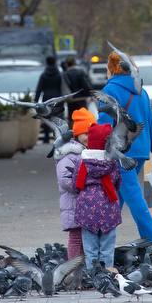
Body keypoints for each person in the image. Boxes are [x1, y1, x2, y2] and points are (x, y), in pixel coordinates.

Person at [96, 51, 152, 245]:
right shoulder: (141, 91)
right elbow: (151, 126)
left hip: (120, 152)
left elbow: (103, 126)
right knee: (118, 194)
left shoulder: (109, 91)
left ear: (111, 68)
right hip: (141, 151)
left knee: (132, 193)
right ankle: (103, 235)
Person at [74, 122, 121, 270]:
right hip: (108, 209)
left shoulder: (82, 162)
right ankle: (107, 273)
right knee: (107, 248)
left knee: (90, 249)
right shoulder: (112, 163)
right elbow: (117, 182)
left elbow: (76, 182)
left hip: (86, 209)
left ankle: (92, 275)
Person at [55, 107, 95, 260]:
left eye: (91, 133)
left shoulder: (88, 152)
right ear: (77, 134)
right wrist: (85, 185)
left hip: (84, 204)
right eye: (84, 133)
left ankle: (81, 267)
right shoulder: (69, 154)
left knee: (86, 239)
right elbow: (65, 180)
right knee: (76, 238)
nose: (87, 137)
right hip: (73, 205)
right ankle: (71, 268)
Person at [35, 56, 65, 143]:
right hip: (57, 98)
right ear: (55, 62)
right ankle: (58, 135)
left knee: (47, 117)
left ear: (47, 63)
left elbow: (39, 89)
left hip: (46, 98)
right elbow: (62, 87)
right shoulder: (59, 74)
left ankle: (46, 137)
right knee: (58, 116)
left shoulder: (43, 75)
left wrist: (36, 101)